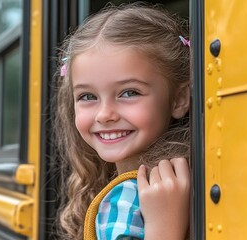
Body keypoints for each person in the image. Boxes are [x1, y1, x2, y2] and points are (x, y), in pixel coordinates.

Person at [54, 3, 190, 240]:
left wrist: (164, 229)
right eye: (88, 97)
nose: (104, 114)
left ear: (179, 99)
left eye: (129, 93)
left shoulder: (126, 200)